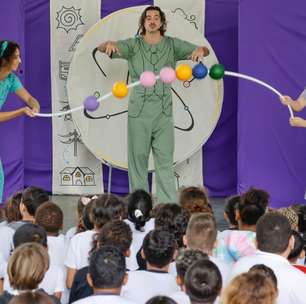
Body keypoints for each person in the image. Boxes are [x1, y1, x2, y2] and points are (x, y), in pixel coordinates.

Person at [97, 6, 210, 203]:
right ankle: (139, 207)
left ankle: (168, 207)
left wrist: (201, 50)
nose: (152, 20)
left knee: (165, 162)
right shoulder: (133, 45)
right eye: (148, 18)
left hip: (164, 112)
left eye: (156, 18)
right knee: (138, 161)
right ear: (143, 23)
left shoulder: (173, 44)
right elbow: (102, 47)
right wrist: (107, 44)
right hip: (138, 112)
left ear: (161, 23)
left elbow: (203, 51)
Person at [0, 40, 40, 203]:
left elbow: (29, 98)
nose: (20, 60)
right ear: (4, 60)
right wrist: (21, 111)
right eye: (16, 57)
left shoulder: (11, 79)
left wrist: (34, 106)